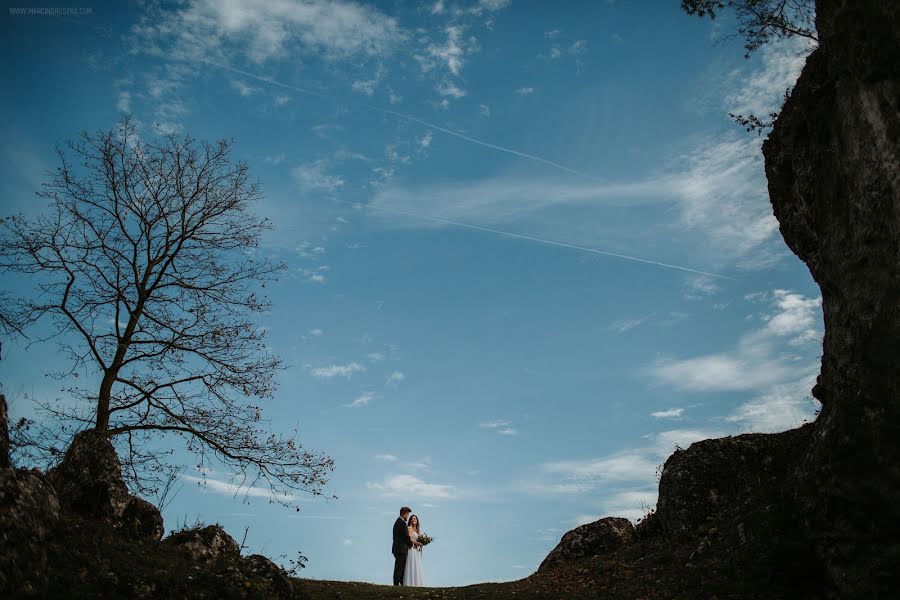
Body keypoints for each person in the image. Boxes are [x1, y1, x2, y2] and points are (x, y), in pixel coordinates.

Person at [391, 506, 419, 585]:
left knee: (401, 568)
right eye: (407, 514)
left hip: (398, 549)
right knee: (399, 568)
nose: (408, 516)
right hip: (400, 549)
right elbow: (406, 537)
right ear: (405, 514)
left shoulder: (399, 522)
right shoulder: (401, 523)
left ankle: (402, 584)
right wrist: (413, 544)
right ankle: (396, 585)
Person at [403, 514, 425, 586]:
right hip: (411, 549)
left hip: (416, 551)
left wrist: (421, 544)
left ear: (417, 520)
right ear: (410, 520)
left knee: (416, 566)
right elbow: (408, 539)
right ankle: (409, 583)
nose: (413, 520)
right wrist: (418, 543)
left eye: (415, 518)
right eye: (412, 519)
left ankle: (417, 583)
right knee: (411, 565)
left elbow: (420, 540)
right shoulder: (409, 528)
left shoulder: (418, 531)